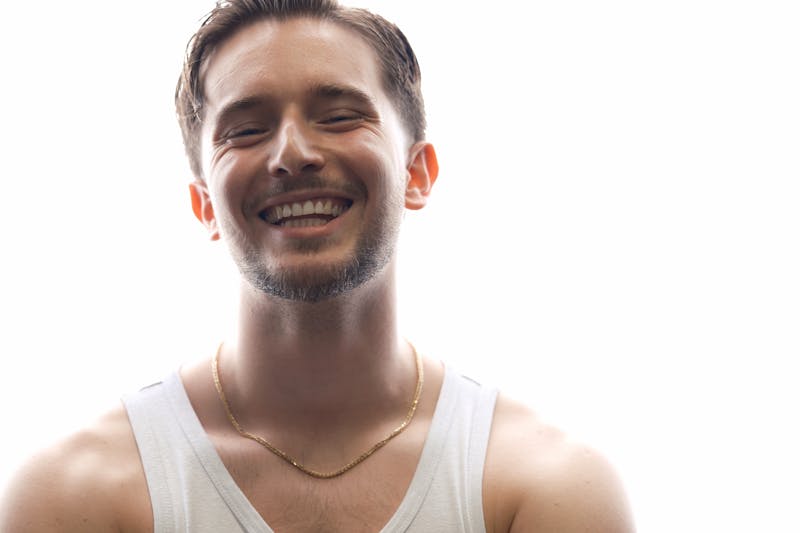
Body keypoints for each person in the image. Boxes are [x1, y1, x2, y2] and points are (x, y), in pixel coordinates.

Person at [0, 0, 634, 531]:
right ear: (205, 206)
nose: (293, 153)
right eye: (244, 131)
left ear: (417, 173)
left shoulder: (539, 486)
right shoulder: (78, 495)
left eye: (338, 117)